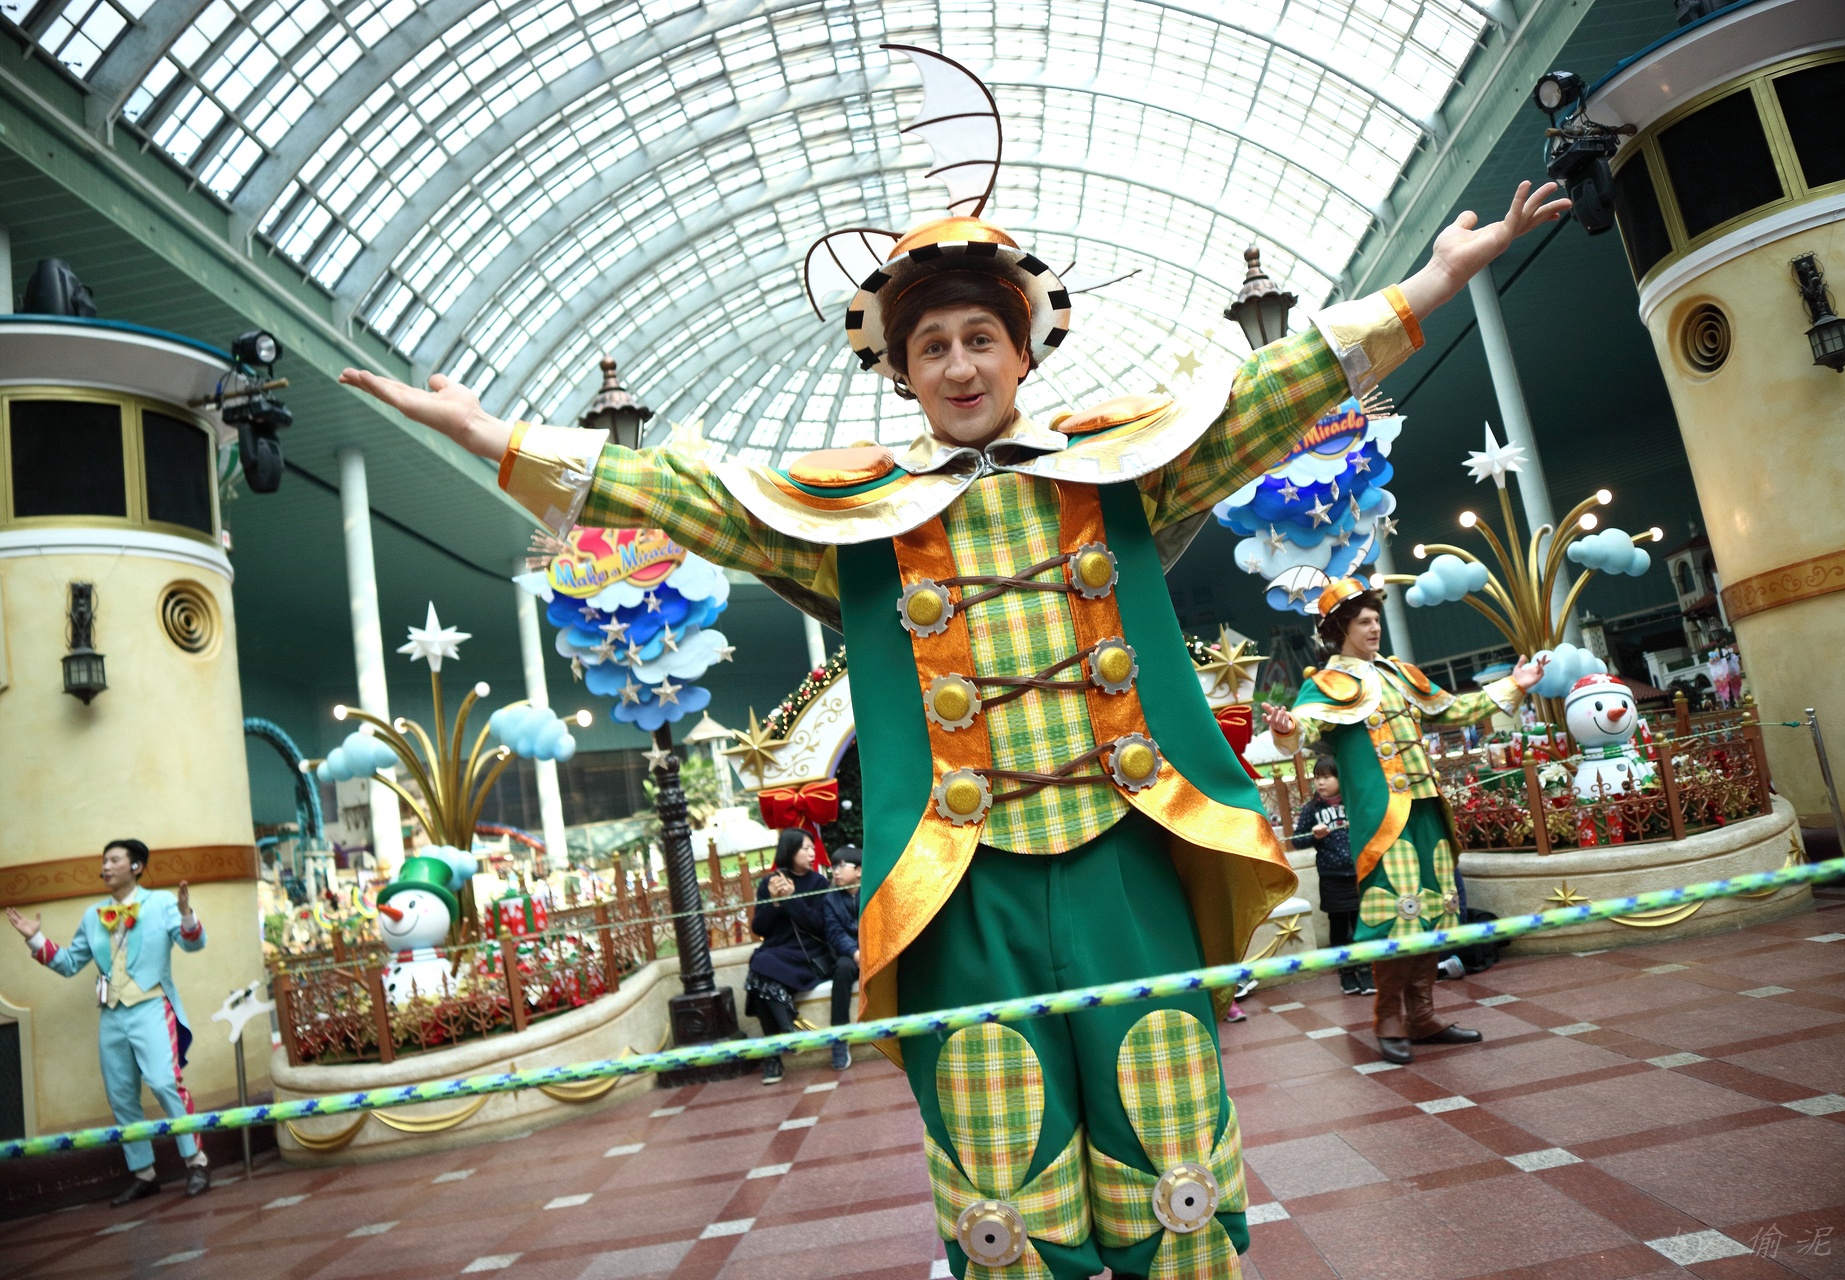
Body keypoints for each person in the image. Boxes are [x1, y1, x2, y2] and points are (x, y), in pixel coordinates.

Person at [339, 52, 1565, 1268]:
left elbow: (1265, 394)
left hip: (1128, 855)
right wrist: (495, 436)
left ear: (1025, 351)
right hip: (960, 884)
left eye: (983, 337)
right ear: (901, 372)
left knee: (1170, 1134)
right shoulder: (852, 517)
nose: (962, 366)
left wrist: (1432, 283)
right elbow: (684, 494)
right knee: (1000, 1169)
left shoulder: (1117, 467)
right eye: (932, 348)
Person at [1266, 580, 1545, 1065]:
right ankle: (1388, 1019)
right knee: (1396, 914)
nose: (1375, 628)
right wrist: (1286, 727)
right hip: (1384, 818)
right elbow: (1303, 726)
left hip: (1426, 807)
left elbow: (1454, 708)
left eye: (1376, 620)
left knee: (1434, 909)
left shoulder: (1399, 673)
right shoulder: (1328, 683)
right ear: (1341, 629)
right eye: (1364, 622)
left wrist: (1515, 684)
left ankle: (1422, 1015)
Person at [5, 839, 213, 1204]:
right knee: (120, 1095)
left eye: (114, 860)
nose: (105, 866)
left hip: (151, 1005)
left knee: (165, 1082)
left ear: (136, 867)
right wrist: (35, 938)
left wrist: (186, 915)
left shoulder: (161, 902)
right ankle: (144, 1173)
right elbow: (69, 964)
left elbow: (193, 944)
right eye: (104, 861)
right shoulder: (93, 915)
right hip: (112, 1014)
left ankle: (196, 1162)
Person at [744, 829, 834, 1085]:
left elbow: (818, 925)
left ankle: (774, 1057)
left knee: (759, 977)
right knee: (761, 966)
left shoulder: (818, 883)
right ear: (790, 851)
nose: (812, 853)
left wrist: (792, 898)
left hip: (808, 953)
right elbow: (759, 928)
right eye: (806, 848)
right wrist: (774, 902)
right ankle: (786, 1030)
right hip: (778, 950)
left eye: (812, 848)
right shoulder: (769, 883)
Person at [1292, 756, 1371, 997]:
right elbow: (1296, 841)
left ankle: (1366, 970)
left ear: (1340, 778)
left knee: (1361, 925)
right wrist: (1314, 836)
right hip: (1331, 878)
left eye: (1327, 777)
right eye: (1317, 777)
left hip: (1358, 875)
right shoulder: (1312, 809)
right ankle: (1346, 973)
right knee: (1338, 928)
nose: (1321, 782)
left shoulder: (1353, 802)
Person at [823, 844, 862, 1070]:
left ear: (859, 871)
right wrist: (855, 952)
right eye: (833, 867)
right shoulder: (830, 899)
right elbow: (834, 933)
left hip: (875, 949)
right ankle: (839, 1038)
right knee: (842, 969)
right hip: (848, 954)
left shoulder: (873, 890)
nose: (835, 872)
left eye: (841, 866)